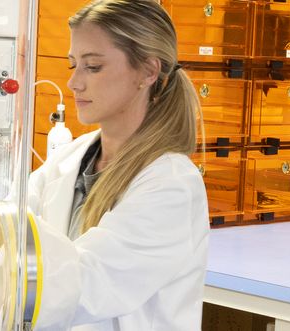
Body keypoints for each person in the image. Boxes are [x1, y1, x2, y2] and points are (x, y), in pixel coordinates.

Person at [26, 0, 210, 330]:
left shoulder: (170, 184)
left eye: (93, 67)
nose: (74, 83)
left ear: (148, 72)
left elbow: (82, 286)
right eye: (73, 66)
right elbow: (9, 232)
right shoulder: (70, 160)